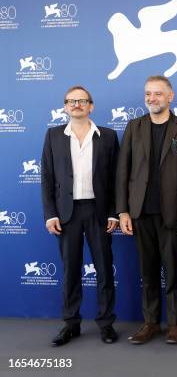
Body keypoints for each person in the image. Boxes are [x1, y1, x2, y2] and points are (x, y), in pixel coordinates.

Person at [116, 75, 177, 345]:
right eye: (148, 94)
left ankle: (175, 324)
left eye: (158, 94)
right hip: (140, 213)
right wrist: (123, 212)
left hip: (172, 216)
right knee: (148, 272)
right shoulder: (134, 127)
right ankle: (150, 323)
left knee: (173, 271)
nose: (152, 98)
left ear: (170, 96)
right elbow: (122, 173)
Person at [41, 85, 119, 346]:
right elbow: (47, 179)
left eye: (82, 101)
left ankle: (106, 324)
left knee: (105, 271)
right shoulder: (53, 136)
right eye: (71, 101)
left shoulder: (107, 136)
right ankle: (70, 323)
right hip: (67, 214)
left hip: (98, 211)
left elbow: (115, 180)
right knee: (70, 270)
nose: (76, 105)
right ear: (65, 106)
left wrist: (114, 213)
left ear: (91, 106)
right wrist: (50, 214)